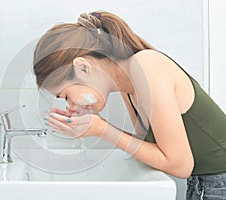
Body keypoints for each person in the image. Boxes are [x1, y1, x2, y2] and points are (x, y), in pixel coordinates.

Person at [33, 11, 226, 199]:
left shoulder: (146, 65)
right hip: (204, 185)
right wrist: (93, 125)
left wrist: (102, 129)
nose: (71, 105)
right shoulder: (127, 84)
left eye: (65, 95)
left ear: (83, 68)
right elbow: (150, 149)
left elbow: (180, 165)